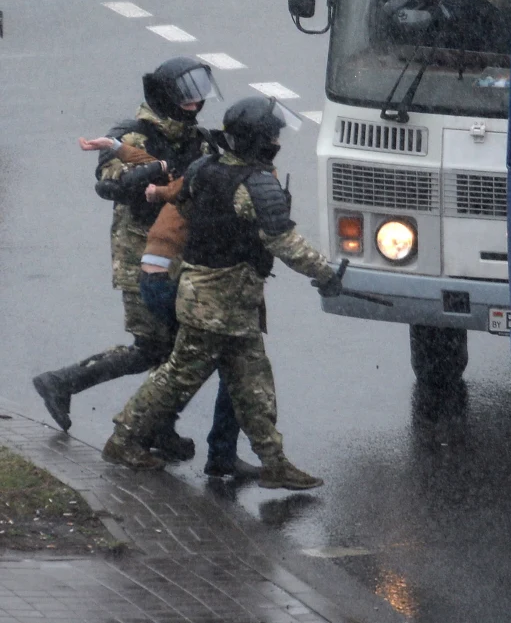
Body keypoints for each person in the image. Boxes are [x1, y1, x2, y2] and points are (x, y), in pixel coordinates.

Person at [102, 96, 342, 491]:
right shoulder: (254, 186)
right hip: (217, 307)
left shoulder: (205, 168)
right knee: (177, 377)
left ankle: (275, 463)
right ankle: (123, 440)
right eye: (274, 135)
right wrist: (327, 275)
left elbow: (183, 201)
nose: (278, 141)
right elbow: (285, 243)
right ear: (260, 141)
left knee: (253, 385)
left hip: (220, 301)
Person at [33, 57, 220, 461]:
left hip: (181, 255)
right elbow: (110, 184)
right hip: (141, 258)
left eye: (198, 97)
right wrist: (154, 170)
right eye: (185, 97)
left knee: (176, 349)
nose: (193, 105)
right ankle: (62, 382)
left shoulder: (197, 137)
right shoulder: (132, 135)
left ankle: (157, 427)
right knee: (154, 348)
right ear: (164, 95)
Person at [77, 136, 260, 479]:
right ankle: (131, 437)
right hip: (171, 285)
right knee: (186, 369)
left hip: (175, 282)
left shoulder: (210, 171)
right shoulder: (222, 179)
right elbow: (168, 174)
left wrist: (117, 146)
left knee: (217, 366)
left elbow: (162, 164)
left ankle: (208, 450)